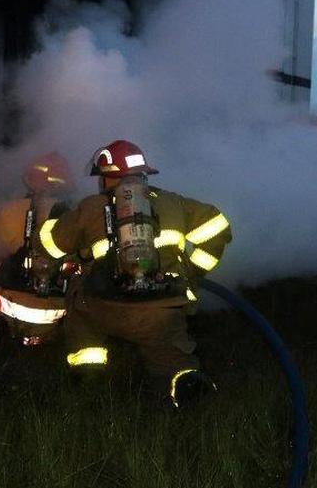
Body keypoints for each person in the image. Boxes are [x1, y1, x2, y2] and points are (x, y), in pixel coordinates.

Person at [39, 139, 232, 407]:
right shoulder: (174, 202)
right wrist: (191, 270)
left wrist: (55, 218)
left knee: (76, 293)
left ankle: (88, 372)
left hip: (103, 306)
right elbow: (218, 228)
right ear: (143, 173)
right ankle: (185, 386)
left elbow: (51, 245)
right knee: (174, 357)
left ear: (106, 178)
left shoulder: (91, 207)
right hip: (160, 311)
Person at [0, 152, 76, 346]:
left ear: (29, 180)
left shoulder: (7, 212)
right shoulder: (75, 217)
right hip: (60, 317)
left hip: (9, 314)